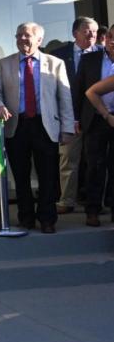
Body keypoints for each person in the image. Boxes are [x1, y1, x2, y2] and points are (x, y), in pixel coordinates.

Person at [0, 22, 75, 233]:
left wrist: (67, 128)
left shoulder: (55, 64)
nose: (22, 39)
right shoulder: (4, 64)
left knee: (47, 175)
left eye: (26, 36)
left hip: (45, 125)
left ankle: (47, 219)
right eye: (18, 35)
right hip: (16, 125)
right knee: (20, 175)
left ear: (39, 40)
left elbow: (64, 98)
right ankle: (26, 217)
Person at [50, 16, 100, 214]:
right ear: (75, 33)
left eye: (95, 32)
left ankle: (96, 202)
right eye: (87, 31)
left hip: (96, 117)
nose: (92, 35)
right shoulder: (58, 55)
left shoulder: (103, 54)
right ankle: (67, 200)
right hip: (69, 117)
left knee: (97, 161)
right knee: (68, 160)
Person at [72, 32, 114, 226]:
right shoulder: (89, 59)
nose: (112, 41)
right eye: (111, 36)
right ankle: (92, 209)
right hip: (95, 119)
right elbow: (80, 90)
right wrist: (75, 118)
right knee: (94, 166)